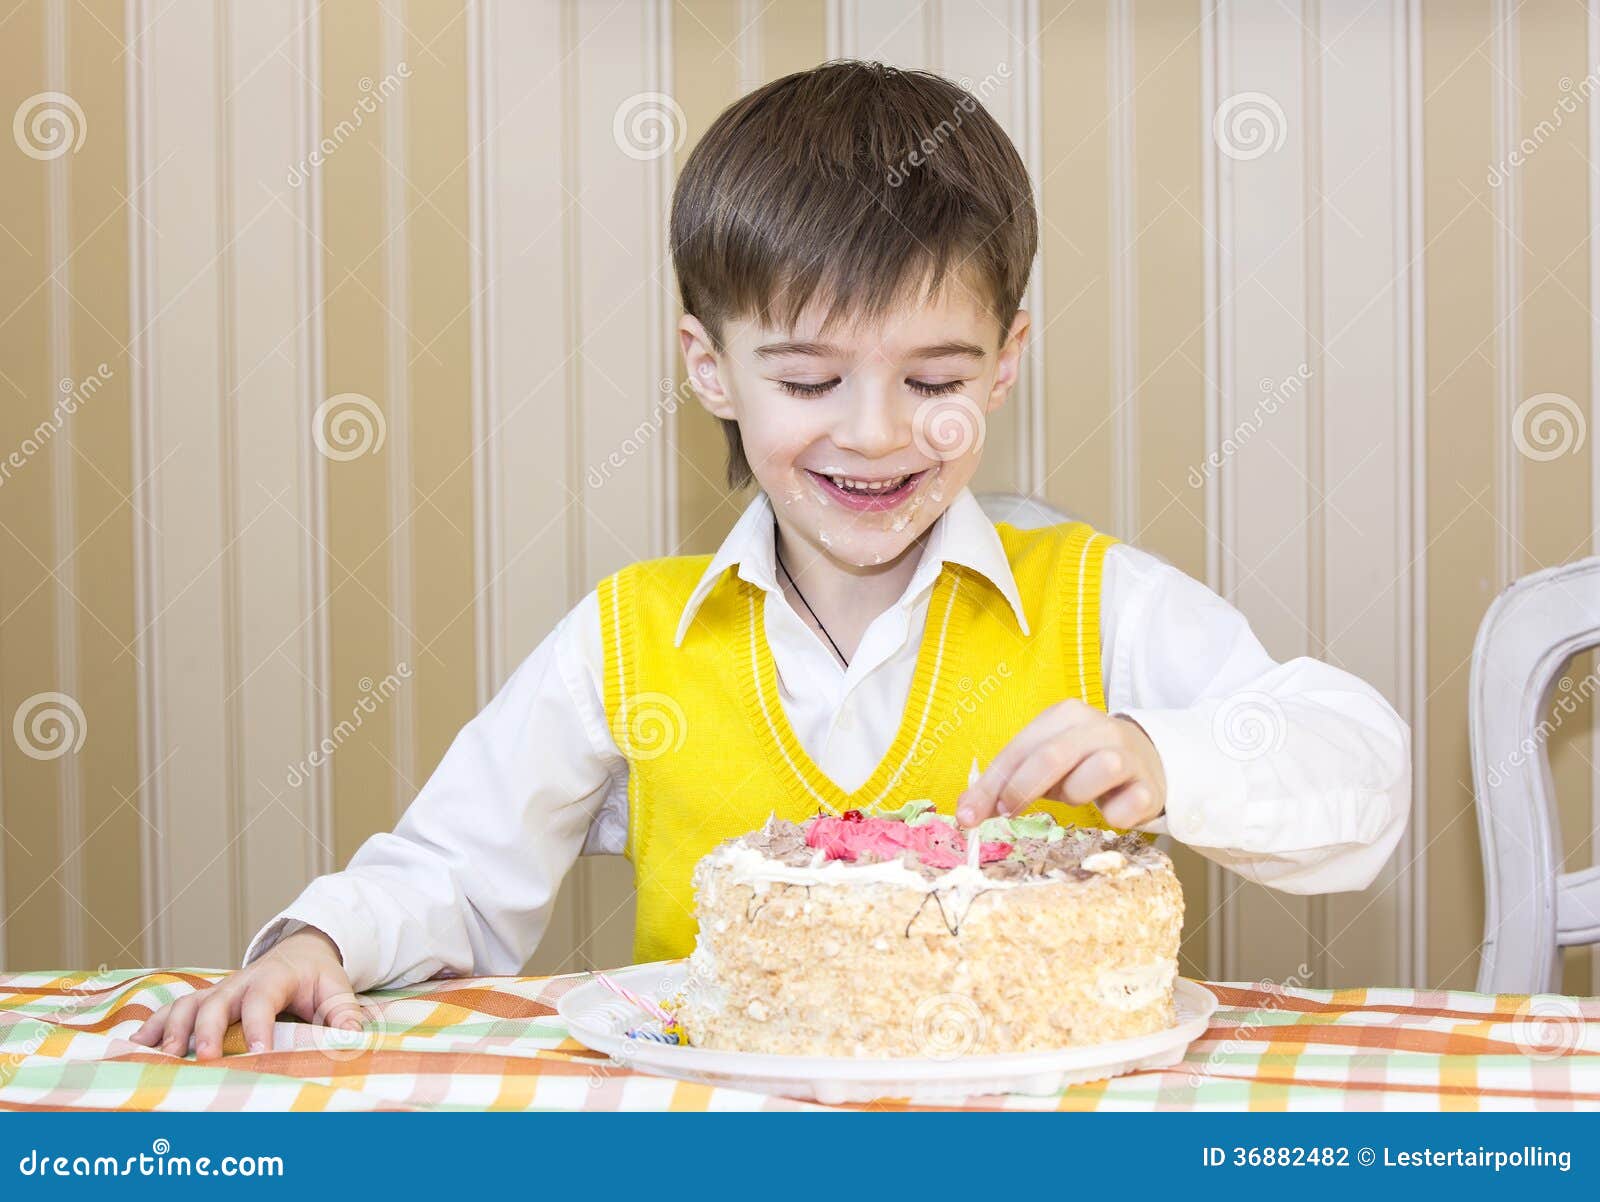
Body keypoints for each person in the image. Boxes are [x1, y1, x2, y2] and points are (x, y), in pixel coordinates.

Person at [133, 60, 1409, 1060]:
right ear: (710, 367)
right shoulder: (630, 637)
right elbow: (453, 875)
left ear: (1006, 361)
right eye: (806, 380)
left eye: (935, 379)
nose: (875, 432)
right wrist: (319, 940)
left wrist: (1164, 754)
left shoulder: (1099, 602)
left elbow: (1358, 772)